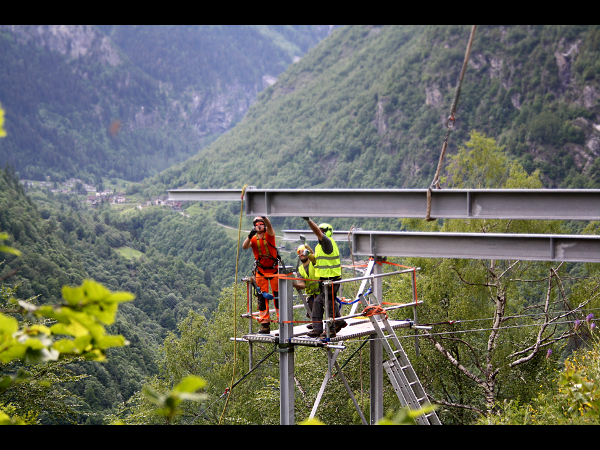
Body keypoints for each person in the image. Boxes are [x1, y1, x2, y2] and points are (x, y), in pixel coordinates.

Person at [302, 218, 347, 338]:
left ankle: (330, 329)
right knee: (322, 301)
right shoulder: (319, 246)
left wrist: (309, 221)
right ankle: (328, 325)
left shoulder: (327, 242)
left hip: (331, 279)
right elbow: (317, 260)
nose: (319, 233)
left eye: (322, 231)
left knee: (328, 303)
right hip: (325, 280)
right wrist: (309, 255)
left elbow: (316, 231)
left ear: (327, 232)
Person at [242, 216, 280, 334]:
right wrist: (249, 235)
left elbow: (269, 227)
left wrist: (264, 217)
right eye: (257, 224)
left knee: (278, 297)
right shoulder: (253, 239)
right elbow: (244, 246)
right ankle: (265, 324)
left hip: (273, 270)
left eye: (261, 224)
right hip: (261, 271)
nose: (259, 226)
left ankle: (282, 322)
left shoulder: (269, 235)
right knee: (262, 298)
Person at [292, 244, 320, 325]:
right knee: (311, 311)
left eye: (303, 252)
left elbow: (313, 255)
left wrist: (307, 246)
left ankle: (318, 326)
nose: (301, 254)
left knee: (319, 306)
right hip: (311, 295)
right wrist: (293, 284)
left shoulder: (313, 262)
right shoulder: (300, 269)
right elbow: (302, 285)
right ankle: (316, 325)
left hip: (321, 291)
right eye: (299, 252)